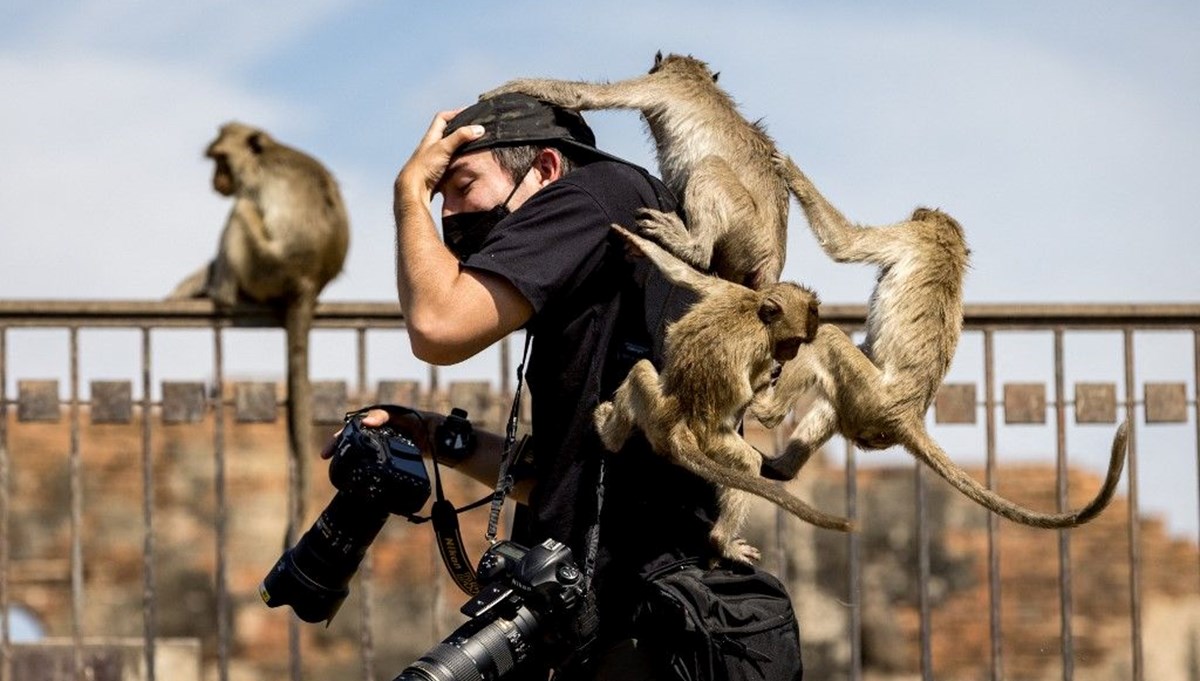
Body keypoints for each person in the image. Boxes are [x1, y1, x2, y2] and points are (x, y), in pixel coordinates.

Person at [361, 93, 724, 679]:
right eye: (437, 195)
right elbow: (564, 480)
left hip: (642, 613)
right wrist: (436, 438)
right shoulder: (598, 251)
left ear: (546, 170)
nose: (448, 213)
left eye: (461, 185)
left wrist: (408, 193)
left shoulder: (592, 197)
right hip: (610, 606)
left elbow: (436, 326)